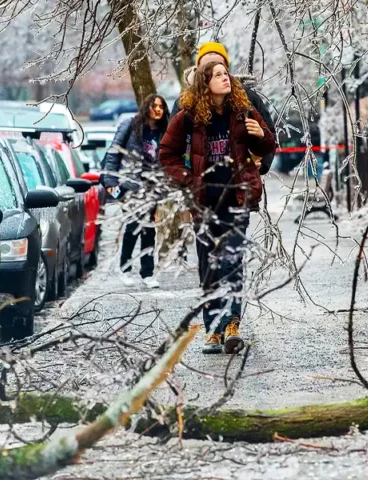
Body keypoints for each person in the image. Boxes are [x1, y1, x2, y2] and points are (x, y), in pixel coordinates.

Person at [159, 61, 276, 354]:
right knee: (210, 264)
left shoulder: (244, 112)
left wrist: (260, 137)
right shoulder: (188, 117)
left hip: (237, 198)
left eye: (227, 74)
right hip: (204, 202)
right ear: (205, 82)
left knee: (232, 259)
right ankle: (213, 327)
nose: (226, 78)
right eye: (219, 75)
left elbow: (268, 146)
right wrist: (187, 179)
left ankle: (232, 324)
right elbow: (166, 154)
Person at [170, 42, 276, 175]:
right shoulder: (185, 104)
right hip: (200, 187)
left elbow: (269, 134)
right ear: (199, 71)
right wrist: (184, 177)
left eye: (219, 66)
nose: (214, 69)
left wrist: (262, 164)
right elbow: (170, 147)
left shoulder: (246, 98)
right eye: (208, 68)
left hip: (240, 186)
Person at [103, 94, 169, 289]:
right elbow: (113, 153)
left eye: (161, 107)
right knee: (133, 226)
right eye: (154, 106)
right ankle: (125, 268)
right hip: (131, 185)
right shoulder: (130, 125)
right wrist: (111, 180)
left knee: (149, 229)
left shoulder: (164, 132)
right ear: (146, 107)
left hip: (152, 187)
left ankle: (147, 273)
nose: (158, 109)